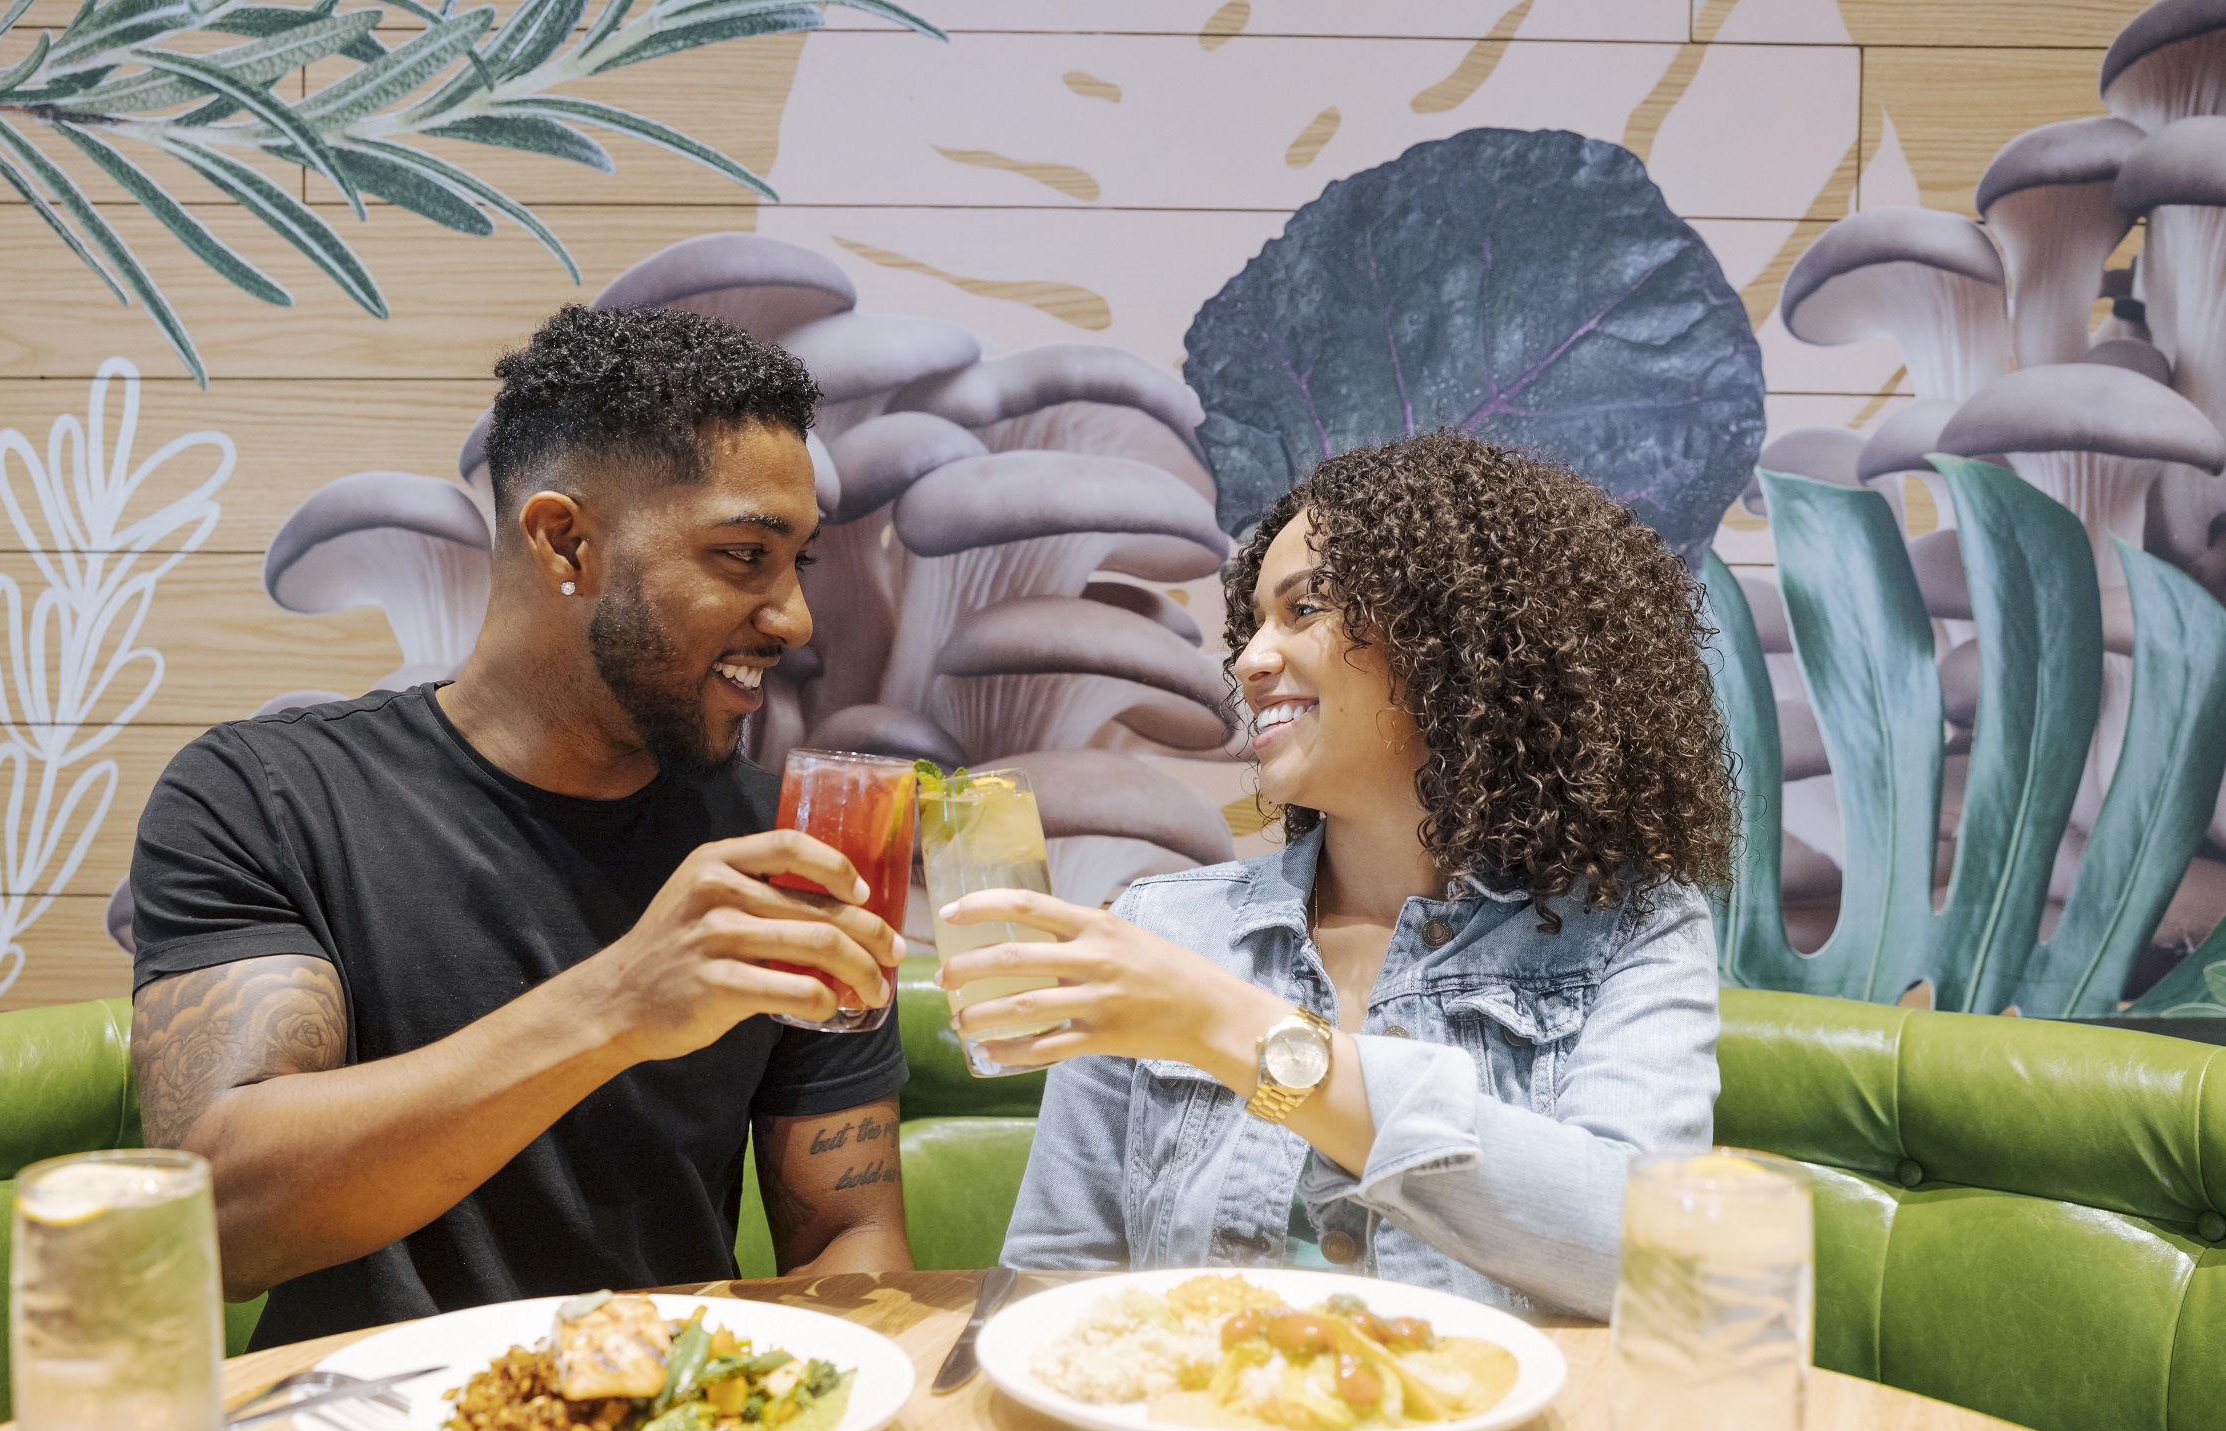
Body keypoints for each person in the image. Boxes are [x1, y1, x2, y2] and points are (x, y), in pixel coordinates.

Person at [129, 305, 914, 1348]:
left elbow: (849, 1234)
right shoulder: (262, 795)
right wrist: (619, 1001)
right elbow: (218, 1222)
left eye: (799, 563)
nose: (795, 619)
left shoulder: (782, 851)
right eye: (741, 556)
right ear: (565, 541)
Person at [953, 431, 1736, 1318]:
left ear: (1456, 641)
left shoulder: (1635, 930)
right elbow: (1052, 1282)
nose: (1249, 660)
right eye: (1251, 623)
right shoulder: (1162, 929)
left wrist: (1240, 1032)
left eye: (1304, 609)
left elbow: (1643, 1256)